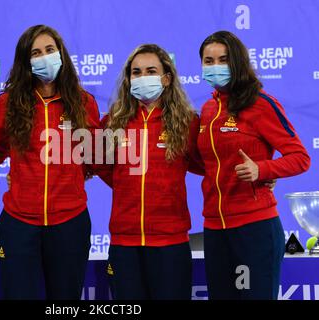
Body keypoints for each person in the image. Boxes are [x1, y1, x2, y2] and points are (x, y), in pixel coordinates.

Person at [0, 24, 100, 300]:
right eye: (35, 53)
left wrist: (74, 175)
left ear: (61, 53)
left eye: (50, 50)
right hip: (19, 224)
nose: (44, 57)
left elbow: (94, 155)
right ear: (26, 62)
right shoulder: (9, 103)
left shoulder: (84, 102)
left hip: (70, 223)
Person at [197, 30, 311, 300]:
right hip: (214, 229)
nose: (215, 67)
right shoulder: (207, 110)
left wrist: (263, 169)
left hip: (253, 229)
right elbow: (208, 163)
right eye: (208, 61)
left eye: (223, 60)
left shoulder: (260, 103)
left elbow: (300, 157)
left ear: (238, 62)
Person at [93, 44, 203, 300]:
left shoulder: (187, 122)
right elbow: (100, 164)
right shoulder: (112, 122)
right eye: (136, 72)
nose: (143, 77)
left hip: (170, 242)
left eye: (151, 71)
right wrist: (125, 183)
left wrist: (263, 172)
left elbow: (211, 162)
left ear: (166, 78)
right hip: (124, 244)